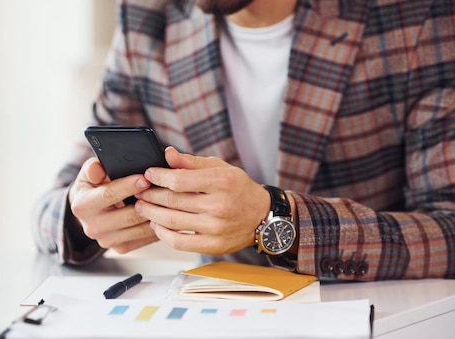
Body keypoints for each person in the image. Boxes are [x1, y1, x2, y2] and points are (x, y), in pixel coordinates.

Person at [32, 0, 455, 281]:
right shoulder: (150, 15)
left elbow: (449, 232)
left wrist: (275, 219)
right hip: (218, 330)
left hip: (380, 327)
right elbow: (51, 206)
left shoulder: (417, 17)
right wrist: (82, 219)